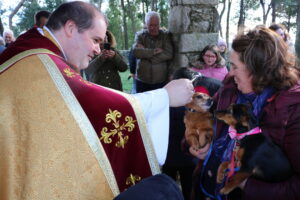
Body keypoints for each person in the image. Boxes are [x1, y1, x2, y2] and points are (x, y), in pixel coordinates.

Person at [0, 1, 194, 199]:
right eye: (95, 40)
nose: (98, 50)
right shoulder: (40, 61)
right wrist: (164, 97)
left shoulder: (31, 47)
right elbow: (88, 101)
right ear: (70, 28)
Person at [190, 26, 300, 200]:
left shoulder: (292, 109)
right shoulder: (230, 85)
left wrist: (245, 184)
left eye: (235, 66)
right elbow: (212, 118)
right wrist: (199, 142)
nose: (229, 72)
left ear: (258, 71)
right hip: (205, 187)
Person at [162, 67, 222, 200]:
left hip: (173, 153)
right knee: (189, 187)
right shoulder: (196, 101)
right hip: (188, 154)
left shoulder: (170, 99)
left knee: (169, 187)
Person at [133, 11, 173, 92]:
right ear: (146, 24)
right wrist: (153, 52)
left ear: (159, 24)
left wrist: (146, 55)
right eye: (150, 25)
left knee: (159, 104)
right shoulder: (140, 35)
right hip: (142, 81)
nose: (152, 28)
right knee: (141, 104)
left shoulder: (165, 36)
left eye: (155, 25)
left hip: (160, 81)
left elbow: (169, 54)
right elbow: (136, 52)